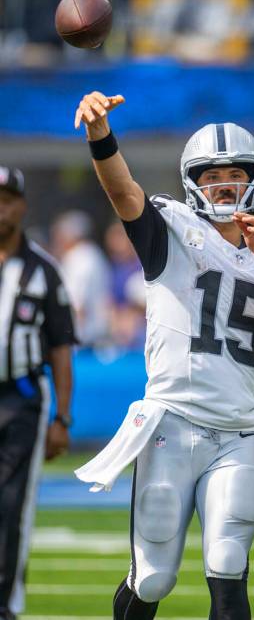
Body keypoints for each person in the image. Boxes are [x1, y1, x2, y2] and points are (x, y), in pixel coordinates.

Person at [72, 92, 254, 620]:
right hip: (171, 426)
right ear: (192, 183)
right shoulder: (171, 228)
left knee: (228, 567)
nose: (223, 184)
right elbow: (121, 189)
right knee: (153, 578)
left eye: (234, 174)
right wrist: (100, 134)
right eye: (211, 175)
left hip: (238, 432)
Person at [0, 166, 75, 620]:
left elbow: (62, 349)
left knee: (10, 505)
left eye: (8, 198)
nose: (0, 207)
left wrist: (61, 418)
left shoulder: (44, 271)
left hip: (21, 399)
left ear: (22, 206)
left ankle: (5, 604)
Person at [50, 210, 112, 347]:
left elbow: (77, 304)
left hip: (86, 341)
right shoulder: (93, 253)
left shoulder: (80, 257)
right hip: (95, 335)